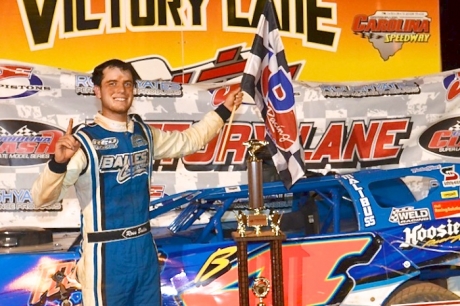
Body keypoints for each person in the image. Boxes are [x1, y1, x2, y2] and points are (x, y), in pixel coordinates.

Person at [31, 59, 243, 306]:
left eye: (127, 83)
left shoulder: (144, 133)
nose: (120, 90)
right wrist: (58, 163)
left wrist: (224, 110)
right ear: (97, 90)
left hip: (144, 248)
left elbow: (190, 141)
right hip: (105, 254)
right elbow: (41, 199)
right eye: (111, 83)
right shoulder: (83, 142)